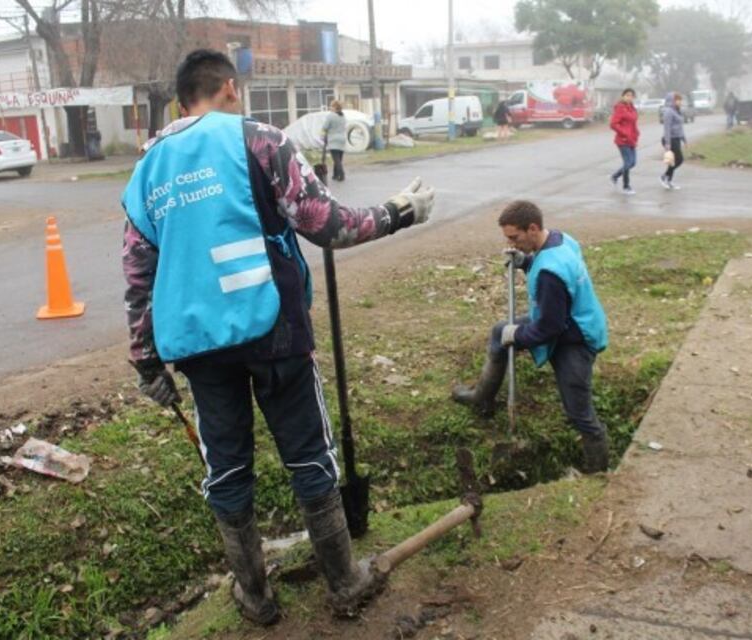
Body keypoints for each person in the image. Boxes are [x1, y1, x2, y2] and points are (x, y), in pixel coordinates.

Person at [121, 49, 435, 625]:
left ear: (181, 100)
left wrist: (147, 363)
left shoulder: (147, 168)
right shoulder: (260, 141)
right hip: (275, 331)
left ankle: (255, 596)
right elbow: (328, 225)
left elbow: (138, 274)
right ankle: (345, 581)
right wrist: (399, 211)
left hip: (199, 345)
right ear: (229, 87)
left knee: (227, 468)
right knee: (309, 454)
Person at [451, 201, 610, 474]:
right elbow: (549, 289)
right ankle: (482, 398)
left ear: (533, 228)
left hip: (575, 338)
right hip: (566, 317)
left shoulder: (550, 274)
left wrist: (518, 335)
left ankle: (597, 471)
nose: (511, 243)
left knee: (578, 412)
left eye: (515, 238)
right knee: (499, 332)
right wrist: (524, 262)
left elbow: (549, 329)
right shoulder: (560, 239)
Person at [609, 88, 640, 195]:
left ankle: (615, 176)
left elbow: (633, 124)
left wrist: (636, 135)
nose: (629, 97)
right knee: (627, 163)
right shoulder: (620, 108)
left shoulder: (632, 108)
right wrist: (624, 133)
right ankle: (626, 186)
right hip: (623, 140)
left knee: (633, 163)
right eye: (627, 95)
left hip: (632, 139)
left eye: (631, 96)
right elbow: (613, 124)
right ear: (623, 96)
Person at [660, 92, 688, 190]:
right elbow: (666, 128)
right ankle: (664, 176)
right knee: (679, 159)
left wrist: (684, 140)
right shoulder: (669, 112)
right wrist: (667, 143)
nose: (679, 101)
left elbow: (680, 128)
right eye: (677, 100)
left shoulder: (677, 111)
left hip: (677, 138)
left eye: (680, 100)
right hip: (670, 139)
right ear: (671, 101)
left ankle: (669, 180)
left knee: (674, 161)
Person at [322, 100, 347, 181]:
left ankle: (341, 174)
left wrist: (322, 135)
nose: (330, 107)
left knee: (336, 160)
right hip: (342, 139)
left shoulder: (330, 116)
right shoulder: (343, 116)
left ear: (335, 107)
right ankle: (335, 175)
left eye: (331, 106)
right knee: (339, 159)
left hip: (333, 140)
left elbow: (325, 127)